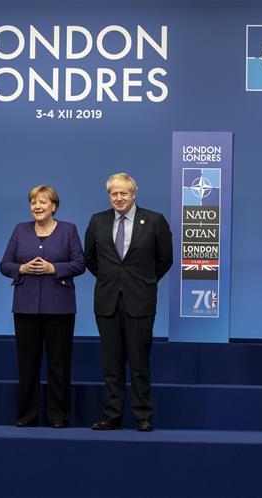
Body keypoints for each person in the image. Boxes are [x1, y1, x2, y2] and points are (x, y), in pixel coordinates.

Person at [84, 172, 172, 432]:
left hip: (140, 301)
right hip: (107, 300)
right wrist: (111, 278)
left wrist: (143, 281)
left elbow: (165, 259)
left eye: (124, 193)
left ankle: (143, 416)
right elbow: (89, 257)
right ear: (109, 195)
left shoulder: (154, 221)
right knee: (111, 364)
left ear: (133, 194)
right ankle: (112, 415)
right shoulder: (98, 221)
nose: (119, 198)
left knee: (139, 362)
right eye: (114, 193)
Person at [0, 185, 85, 428]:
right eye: (33, 202)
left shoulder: (69, 230)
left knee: (59, 365)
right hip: (25, 308)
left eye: (43, 202)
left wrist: (55, 268)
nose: (37, 206)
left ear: (54, 206)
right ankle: (27, 416)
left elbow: (80, 263)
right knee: (27, 365)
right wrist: (21, 269)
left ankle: (58, 417)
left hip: (60, 308)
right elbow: (5, 264)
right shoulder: (19, 230)